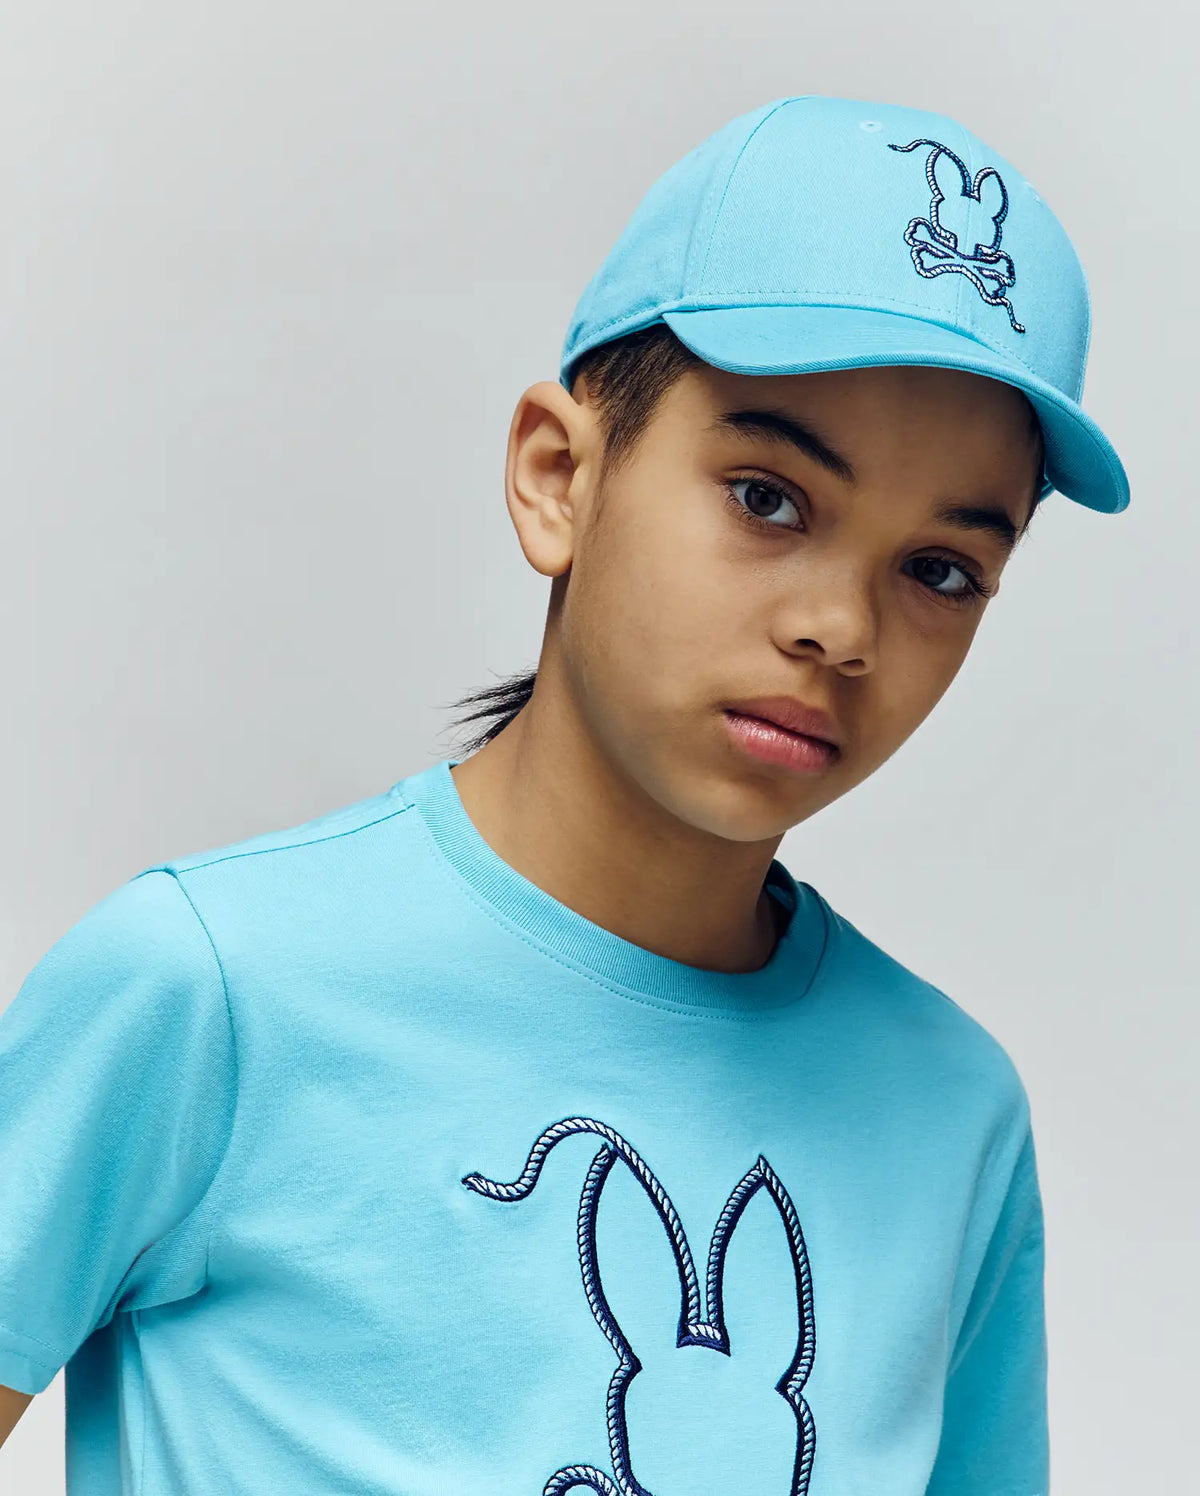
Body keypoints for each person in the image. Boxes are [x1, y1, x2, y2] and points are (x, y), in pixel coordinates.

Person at [0, 95, 1127, 1496]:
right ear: (558, 477)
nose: (842, 625)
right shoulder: (210, 993)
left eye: (942, 569)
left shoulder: (953, 1114)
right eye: (769, 497)